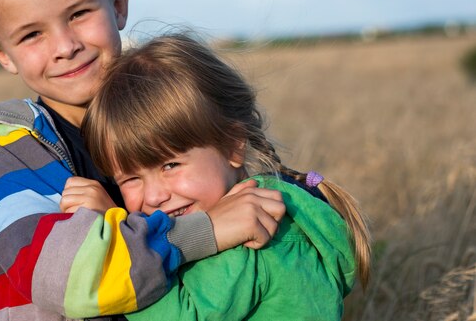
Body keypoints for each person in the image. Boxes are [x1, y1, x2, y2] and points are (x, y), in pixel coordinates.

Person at [0, 0, 286, 321]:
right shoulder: (4, 147)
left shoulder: (147, 105)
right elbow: (74, 280)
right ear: (2, 55)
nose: (65, 45)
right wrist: (209, 230)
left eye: (79, 14)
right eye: (32, 34)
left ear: (118, 4)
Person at [81, 33, 372, 320]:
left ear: (233, 145)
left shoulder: (252, 239)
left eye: (170, 165)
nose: (155, 195)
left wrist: (117, 240)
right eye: (130, 179)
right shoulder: (276, 204)